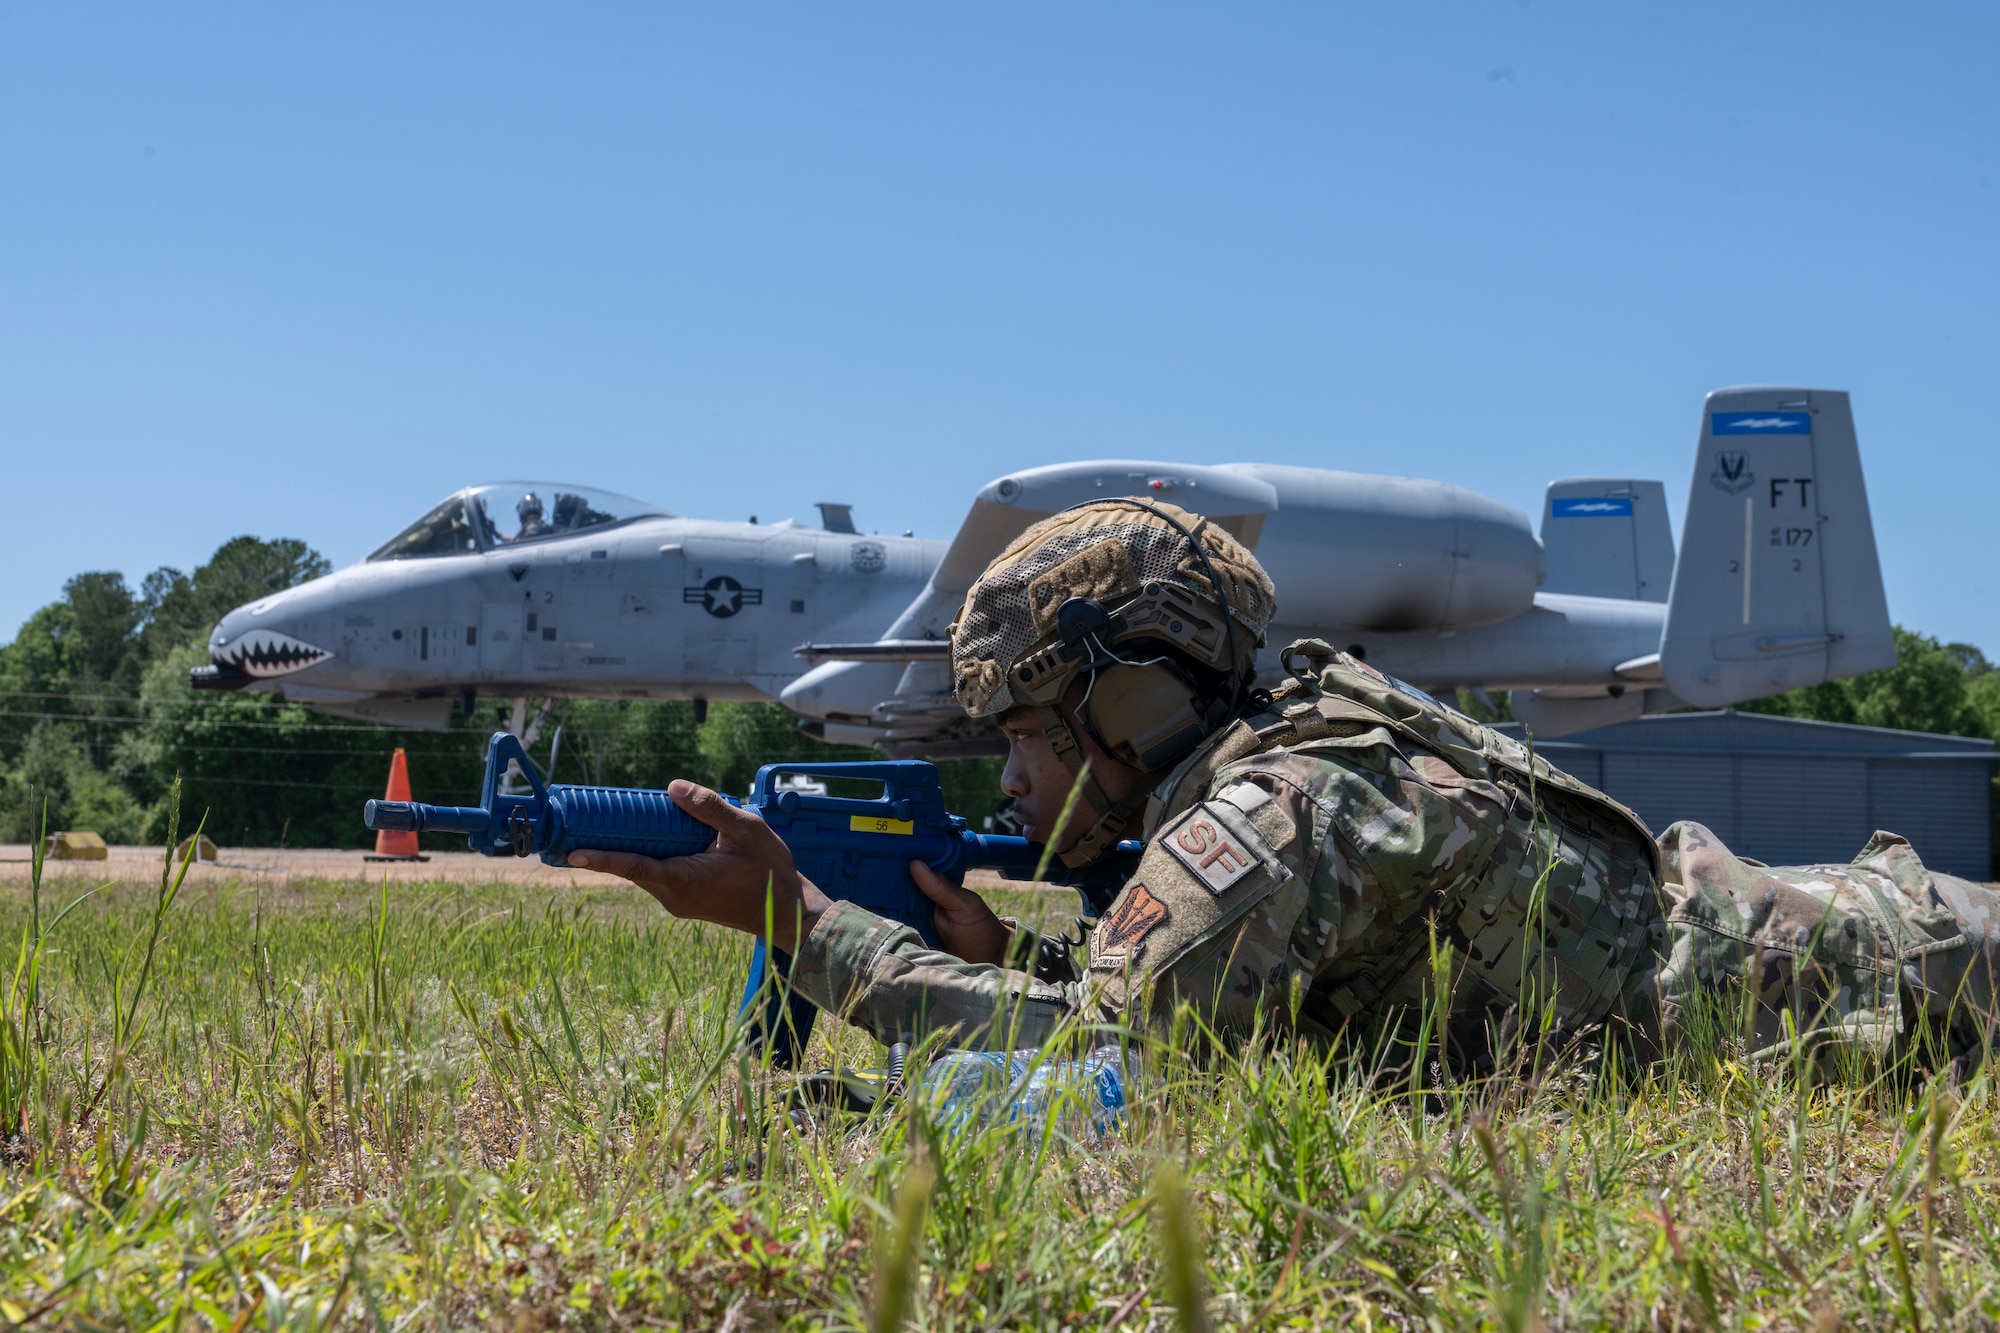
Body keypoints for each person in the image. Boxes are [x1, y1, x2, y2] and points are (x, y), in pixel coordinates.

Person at [568, 500, 2000, 1071]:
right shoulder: (1283, 735)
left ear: (1130, 703)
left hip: (1884, 982)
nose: (1006, 772)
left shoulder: (1265, 815)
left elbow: (1102, 1071)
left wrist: (799, 923)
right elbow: (1204, 992)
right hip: (1844, 934)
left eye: (1025, 730)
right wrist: (1027, 958)